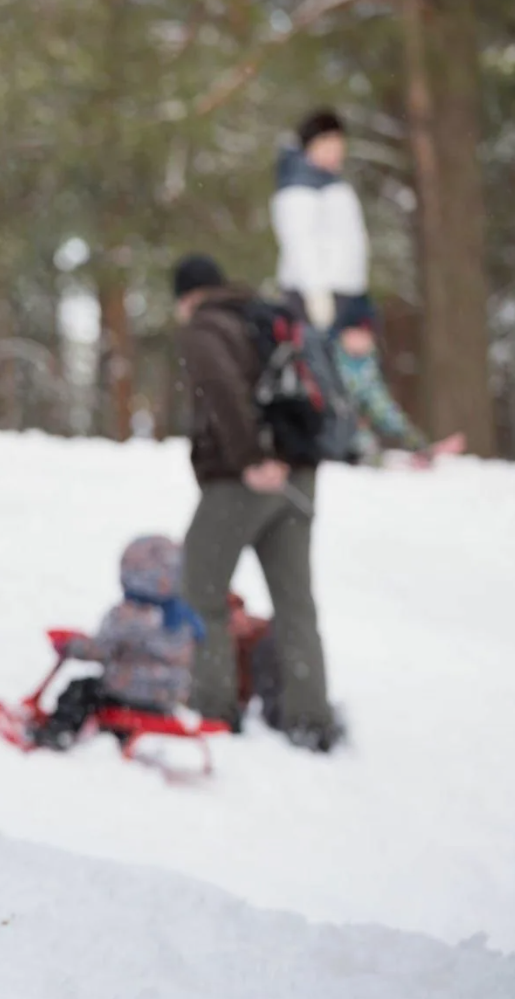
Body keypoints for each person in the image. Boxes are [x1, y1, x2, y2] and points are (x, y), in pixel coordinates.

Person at [171, 253, 339, 751]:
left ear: (185, 296)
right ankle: (309, 718)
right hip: (300, 472)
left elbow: (223, 388)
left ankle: (212, 710)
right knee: (295, 602)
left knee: (199, 590)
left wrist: (250, 458)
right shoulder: (261, 317)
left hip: (247, 478)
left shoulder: (206, 327)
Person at [32, 536, 201, 750]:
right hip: (165, 699)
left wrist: (71, 646)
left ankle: (59, 732)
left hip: (126, 694)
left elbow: (101, 650)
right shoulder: (184, 618)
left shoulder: (128, 616)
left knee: (81, 690)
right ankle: (119, 733)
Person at [329, 296, 466, 466]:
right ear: (344, 333)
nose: (364, 340)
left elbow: (379, 403)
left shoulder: (366, 365)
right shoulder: (330, 360)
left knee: (370, 434)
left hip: (353, 429)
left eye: (368, 335)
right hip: (330, 429)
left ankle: (410, 451)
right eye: (358, 333)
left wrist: (407, 434)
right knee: (358, 436)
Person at [271, 108, 367, 330]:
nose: (336, 153)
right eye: (329, 146)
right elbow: (299, 242)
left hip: (347, 291)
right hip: (314, 296)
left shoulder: (334, 185)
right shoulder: (298, 190)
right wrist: (315, 293)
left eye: (339, 146)